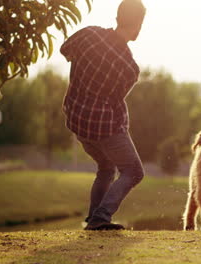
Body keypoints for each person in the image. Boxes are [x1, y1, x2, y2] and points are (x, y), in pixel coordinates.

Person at [60, 0, 146, 230]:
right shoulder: (129, 68)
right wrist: (122, 127)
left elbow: (65, 51)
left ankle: (93, 219)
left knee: (106, 168)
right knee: (134, 171)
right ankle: (101, 216)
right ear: (138, 24)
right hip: (102, 126)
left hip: (76, 119)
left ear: (118, 17)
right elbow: (115, 100)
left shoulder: (88, 34)